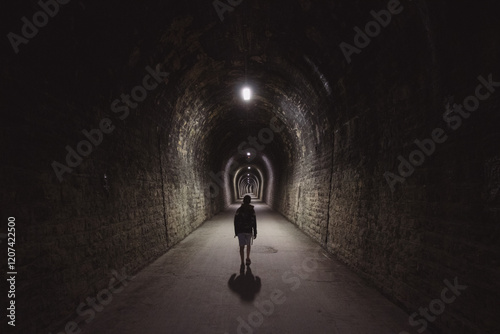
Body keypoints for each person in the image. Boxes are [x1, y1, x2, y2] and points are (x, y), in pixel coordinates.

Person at [234, 195, 257, 266]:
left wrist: (236, 232)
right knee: (248, 245)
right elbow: (254, 221)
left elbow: (235, 221)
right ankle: (247, 258)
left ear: (243, 201)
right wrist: (255, 232)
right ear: (250, 201)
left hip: (240, 230)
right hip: (248, 230)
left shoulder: (239, 210)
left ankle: (242, 262)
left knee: (241, 246)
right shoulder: (252, 210)